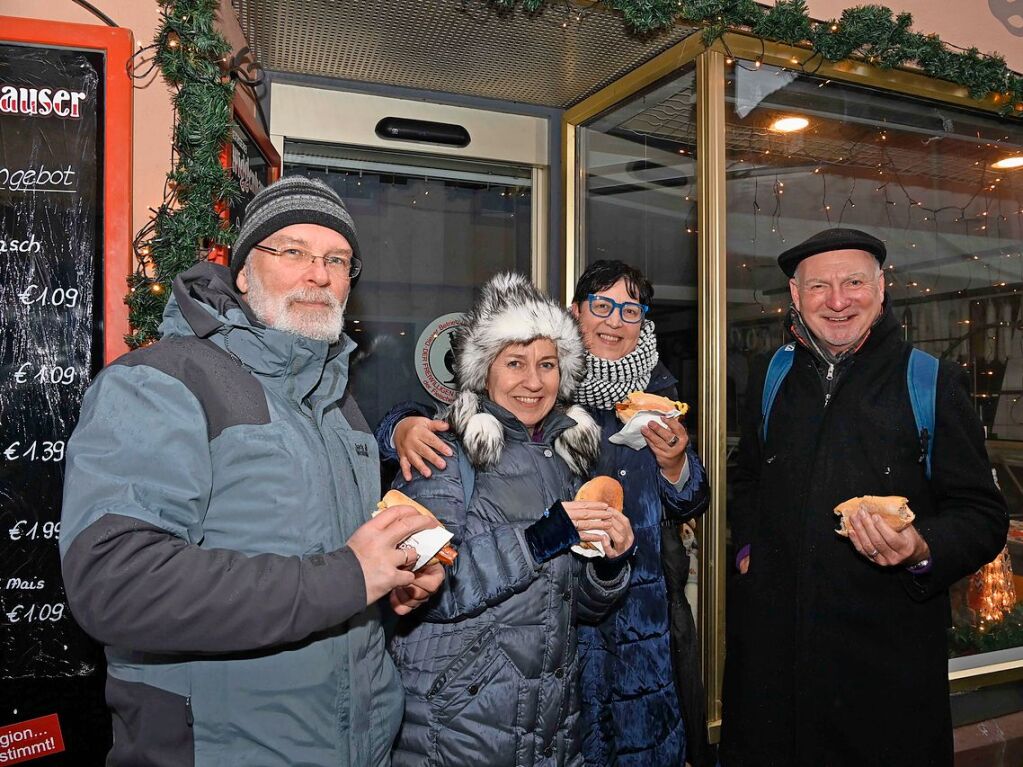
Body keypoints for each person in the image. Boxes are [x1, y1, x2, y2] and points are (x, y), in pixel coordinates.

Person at [59, 176, 444, 767]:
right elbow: (115, 583)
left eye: (336, 259)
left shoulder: (336, 402)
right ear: (242, 273)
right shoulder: (161, 382)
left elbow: (338, 564)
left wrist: (392, 580)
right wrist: (347, 578)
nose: (319, 274)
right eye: (293, 252)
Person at [380, 261, 710, 766]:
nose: (533, 381)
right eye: (514, 363)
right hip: (465, 717)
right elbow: (421, 588)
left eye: (547, 365)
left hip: (557, 706)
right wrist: (541, 536)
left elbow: (568, 597)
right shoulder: (451, 450)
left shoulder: (566, 449)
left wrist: (607, 565)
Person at [722, 228, 1008, 766]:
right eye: (819, 287)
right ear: (794, 295)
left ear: (881, 287)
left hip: (883, 674)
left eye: (854, 282)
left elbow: (982, 514)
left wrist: (922, 548)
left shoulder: (931, 381)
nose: (837, 301)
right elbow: (750, 477)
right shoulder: (771, 375)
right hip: (771, 669)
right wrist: (747, 553)